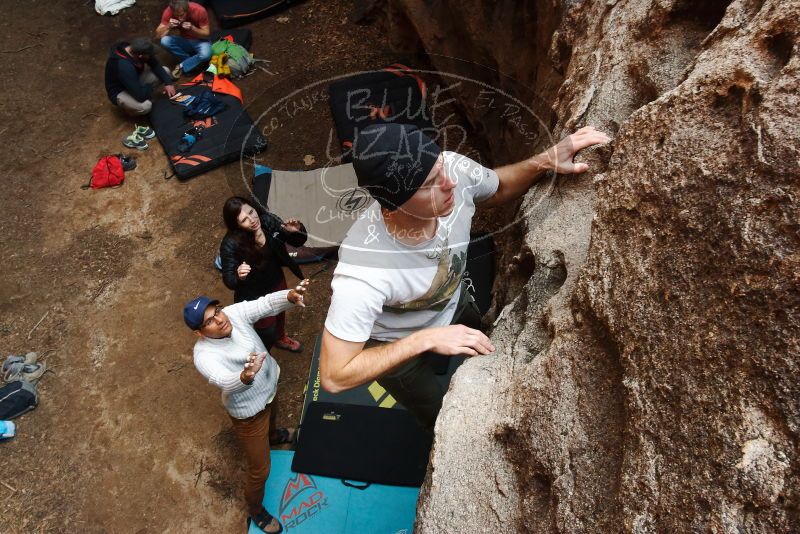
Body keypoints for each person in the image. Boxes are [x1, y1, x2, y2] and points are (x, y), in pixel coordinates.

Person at [320, 123, 611, 429]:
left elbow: (498, 187)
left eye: (442, 168)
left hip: (453, 300)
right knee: (444, 416)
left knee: (482, 341)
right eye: (430, 183)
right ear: (392, 204)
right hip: (396, 343)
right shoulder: (365, 271)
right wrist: (426, 339)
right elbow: (335, 374)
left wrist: (546, 159)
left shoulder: (451, 172)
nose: (450, 184)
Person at [185, 279, 310, 533]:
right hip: (248, 414)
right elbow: (221, 380)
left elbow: (262, 305)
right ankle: (256, 510)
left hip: (269, 387)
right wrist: (244, 377)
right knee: (260, 470)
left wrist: (289, 295)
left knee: (273, 414)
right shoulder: (203, 354)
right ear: (200, 332)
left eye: (216, 311)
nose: (219, 320)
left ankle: (274, 435)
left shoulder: (231, 315)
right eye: (209, 321)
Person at [220, 197, 308, 353]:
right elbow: (229, 279)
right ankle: (263, 353)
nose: (252, 220)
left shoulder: (267, 220)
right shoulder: (231, 243)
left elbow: (296, 241)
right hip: (254, 293)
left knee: (281, 309)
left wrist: (297, 230)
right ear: (237, 226)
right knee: (266, 329)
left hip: (275, 278)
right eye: (244, 220)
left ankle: (280, 338)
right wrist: (238, 275)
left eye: (251, 212)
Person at [104, 37, 176, 117]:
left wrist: (168, 83)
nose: (152, 55)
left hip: (133, 79)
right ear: (140, 56)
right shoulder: (124, 66)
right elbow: (140, 96)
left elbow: (155, 64)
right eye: (150, 54)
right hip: (120, 90)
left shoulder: (135, 49)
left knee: (165, 71)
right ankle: (130, 109)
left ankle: (140, 92)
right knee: (146, 106)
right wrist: (149, 87)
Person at [155, 0, 211, 79]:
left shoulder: (199, 10)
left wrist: (192, 28)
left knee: (206, 55)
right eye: (176, 15)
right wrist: (168, 26)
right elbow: (158, 36)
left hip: (201, 41)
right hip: (185, 40)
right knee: (164, 41)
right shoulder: (168, 11)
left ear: (187, 9)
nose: (179, 18)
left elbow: (206, 35)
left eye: (182, 15)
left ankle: (183, 65)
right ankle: (190, 62)